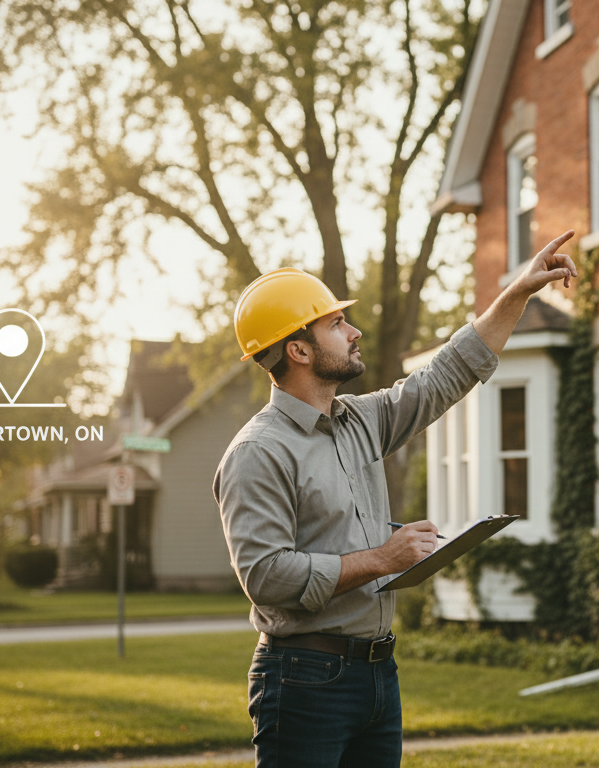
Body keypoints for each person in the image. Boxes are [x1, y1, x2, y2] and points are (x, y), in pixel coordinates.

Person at [213, 230, 577, 768]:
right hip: (303, 677)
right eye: (337, 324)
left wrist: (519, 291)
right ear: (299, 350)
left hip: (378, 672)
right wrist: (382, 558)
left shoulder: (361, 420)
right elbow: (266, 576)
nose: (354, 331)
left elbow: (448, 372)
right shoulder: (258, 452)